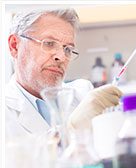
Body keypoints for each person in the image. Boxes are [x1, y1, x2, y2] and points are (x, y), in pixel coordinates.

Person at [6, 9, 122, 137]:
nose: (61, 57)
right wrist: (71, 129)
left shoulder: (83, 93)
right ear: (14, 46)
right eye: (49, 43)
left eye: (67, 49)